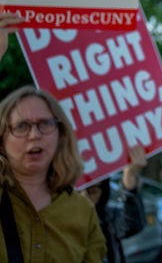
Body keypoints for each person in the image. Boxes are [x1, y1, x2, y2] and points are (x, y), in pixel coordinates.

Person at [0, 86, 106, 262]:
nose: (34, 135)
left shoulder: (83, 211)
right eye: (21, 126)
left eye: (45, 124)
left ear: (61, 135)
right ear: (2, 141)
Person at [83, 144, 147, 263]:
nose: (85, 197)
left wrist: (129, 175)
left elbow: (132, 224)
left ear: (103, 192)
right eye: (76, 192)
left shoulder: (107, 219)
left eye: (92, 191)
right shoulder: (56, 223)